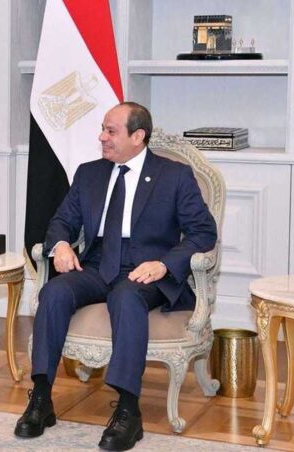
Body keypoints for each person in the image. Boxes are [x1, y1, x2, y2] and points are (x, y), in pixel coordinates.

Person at [15, 102, 217, 451]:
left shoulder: (174, 175)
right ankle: (42, 399)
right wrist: (61, 245)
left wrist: (164, 265)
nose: (102, 137)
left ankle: (127, 410)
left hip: (146, 268)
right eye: (102, 129)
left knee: (126, 297)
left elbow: (203, 232)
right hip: (96, 265)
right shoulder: (89, 173)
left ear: (138, 137)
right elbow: (62, 220)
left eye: (111, 131)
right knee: (54, 292)